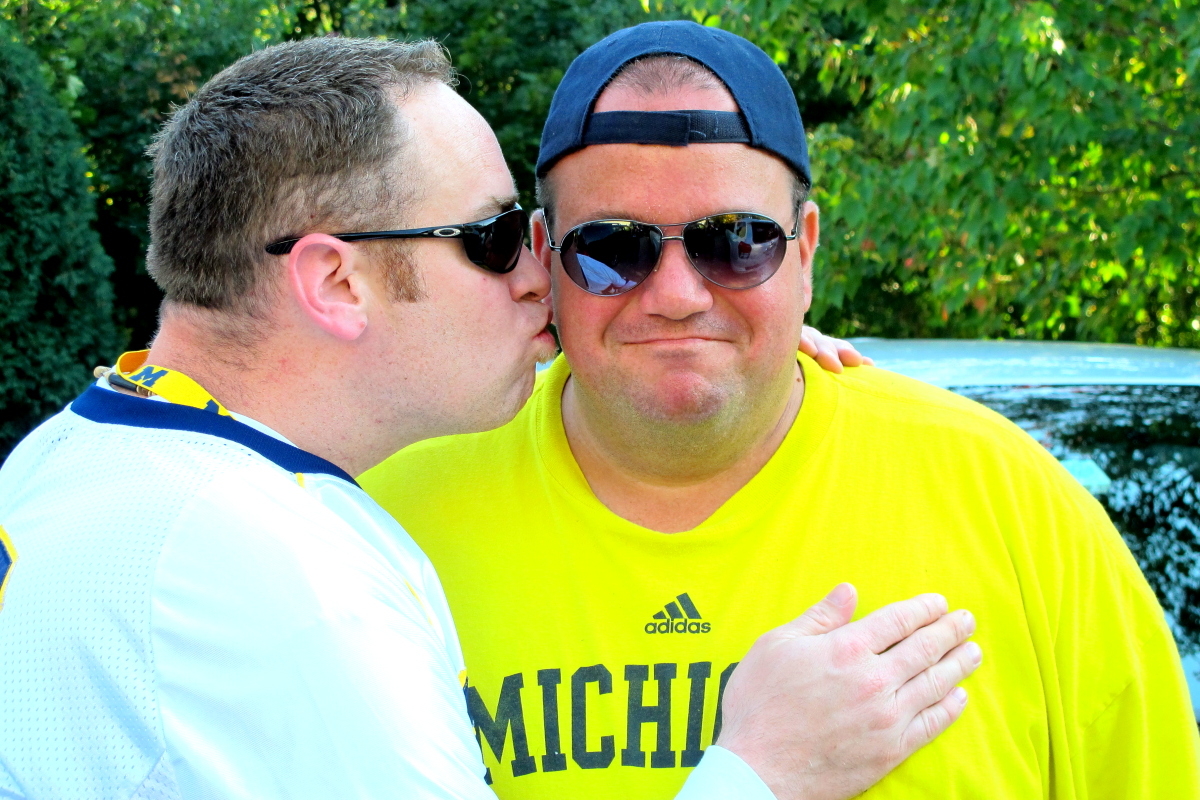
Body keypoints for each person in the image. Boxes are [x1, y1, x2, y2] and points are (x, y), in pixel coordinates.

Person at [0, 36, 980, 800]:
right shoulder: (281, 586)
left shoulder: (80, 461)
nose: (539, 277)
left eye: (740, 242)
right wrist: (763, 768)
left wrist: (733, 328)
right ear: (336, 282)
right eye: (493, 238)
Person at [362, 20, 1200, 800]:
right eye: (613, 248)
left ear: (805, 251)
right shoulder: (382, 525)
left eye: (737, 243)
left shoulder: (1017, 509)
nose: (678, 295)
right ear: (546, 256)